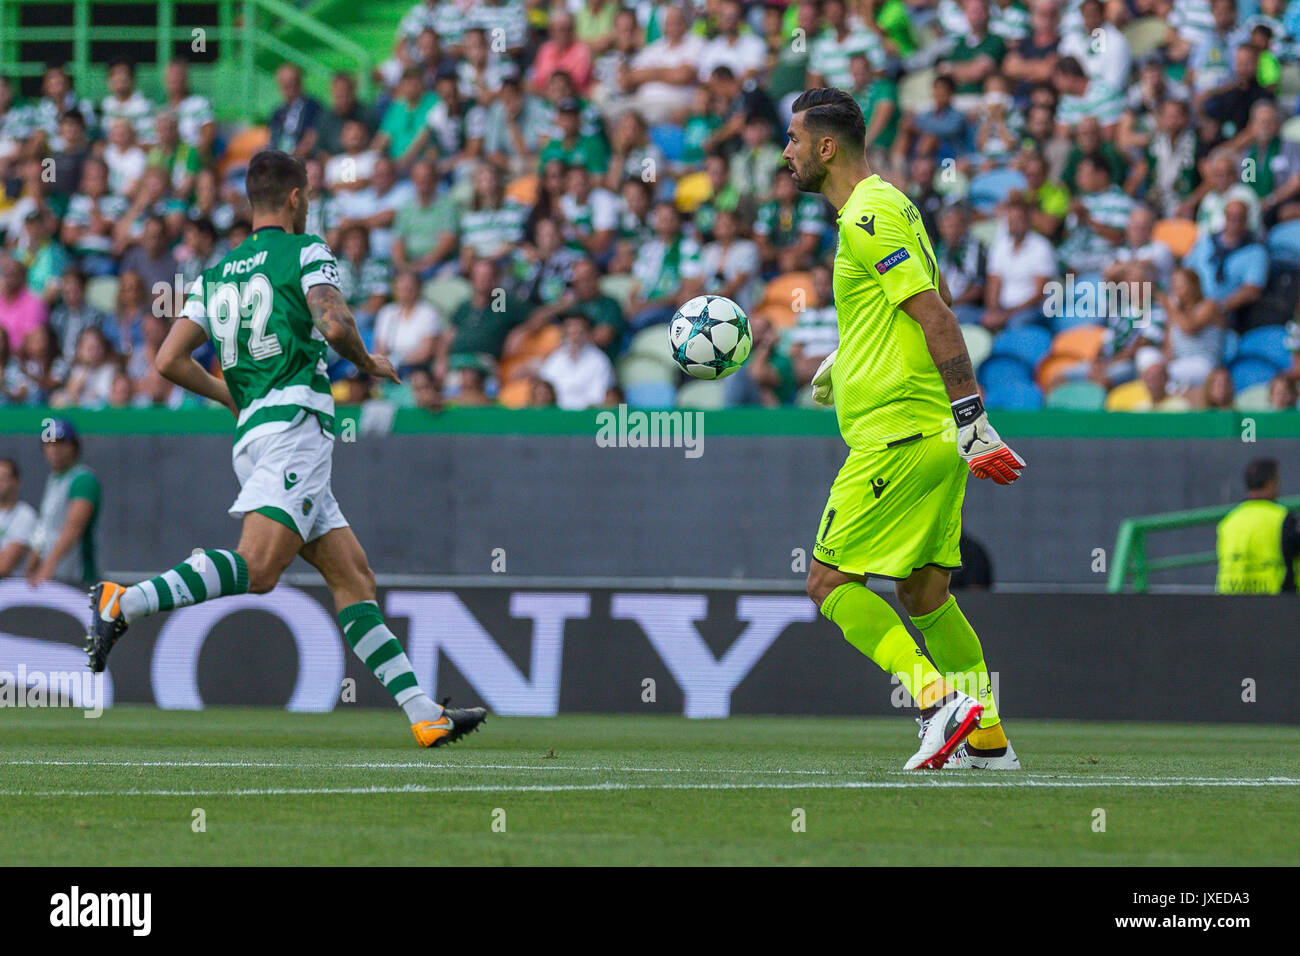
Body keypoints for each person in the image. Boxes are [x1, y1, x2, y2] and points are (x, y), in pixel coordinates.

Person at [83, 150, 486, 749]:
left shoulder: (216, 274)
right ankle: (126, 600)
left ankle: (424, 712)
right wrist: (367, 363)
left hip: (255, 434)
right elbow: (334, 323)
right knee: (261, 568)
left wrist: (233, 398)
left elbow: (167, 360)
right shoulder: (306, 250)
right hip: (296, 427)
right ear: (296, 198)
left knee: (353, 577)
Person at [784, 88, 1022, 771]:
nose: (786, 153)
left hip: (902, 435)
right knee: (924, 594)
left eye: (795, 141)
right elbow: (924, 307)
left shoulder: (868, 214)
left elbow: (941, 318)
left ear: (826, 147)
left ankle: (934, 701)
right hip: (927, 434)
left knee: (828, 583)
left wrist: (973, 421)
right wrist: (850, 354)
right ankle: (987, 737)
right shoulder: (892, 204)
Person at [26, 419, 100, 587]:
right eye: (49, 444)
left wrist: (47, 567)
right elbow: (45, 527)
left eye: (60, 443)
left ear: (73, 446)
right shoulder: (54, 479)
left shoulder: (83, 479)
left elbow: (73, 527)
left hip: (76, 574)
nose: (54, 450)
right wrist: (33, 563)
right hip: (53, 574)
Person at [1216, 458, 1300, 593]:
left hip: (1231, 602)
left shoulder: (1229, 520)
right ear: (1271, 482)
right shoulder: (1282, 518)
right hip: (1275, 604)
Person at [0, 458, 38, 577]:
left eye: (4, 478)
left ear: (16, 482)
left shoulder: (25, 515)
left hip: (11, 590)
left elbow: (4, 567)